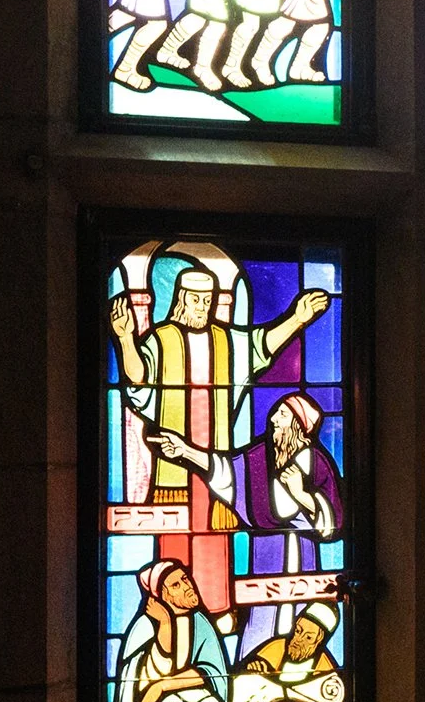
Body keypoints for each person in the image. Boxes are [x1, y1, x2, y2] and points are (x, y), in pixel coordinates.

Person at [112, 262, 330, 617]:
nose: (202, 307)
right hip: (175, 464)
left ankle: (219, 610)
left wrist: (298, 318)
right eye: (195, 300)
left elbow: (262, 345)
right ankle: (173, 610)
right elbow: (138, 380)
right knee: (176, 537)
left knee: (216, 537)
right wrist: (124, 338)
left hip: (217, 458)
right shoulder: (162, 339)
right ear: (181, 300)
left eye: (207, 300)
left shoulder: (224, 339)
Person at [147, 391, 343, 653]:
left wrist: (301, 494)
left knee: (298, 617)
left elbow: (332, 524)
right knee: (261, 622)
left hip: (303, 554)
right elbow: (225, 470)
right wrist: (185, 450)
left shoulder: (317, 464)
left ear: (297, 424)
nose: (274, 420)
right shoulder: (260, 457)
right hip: (264, 553)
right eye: (275, 413)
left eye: (282, 415)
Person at [115, 560, 232, 702]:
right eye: (176, 585)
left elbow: (212, 672)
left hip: (201, 700)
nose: (187, 587)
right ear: (163, 596)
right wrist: (166, 625)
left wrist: (161, 686)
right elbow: (152, 671)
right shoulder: (145, 626)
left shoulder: (201, 623)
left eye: (185, 579)